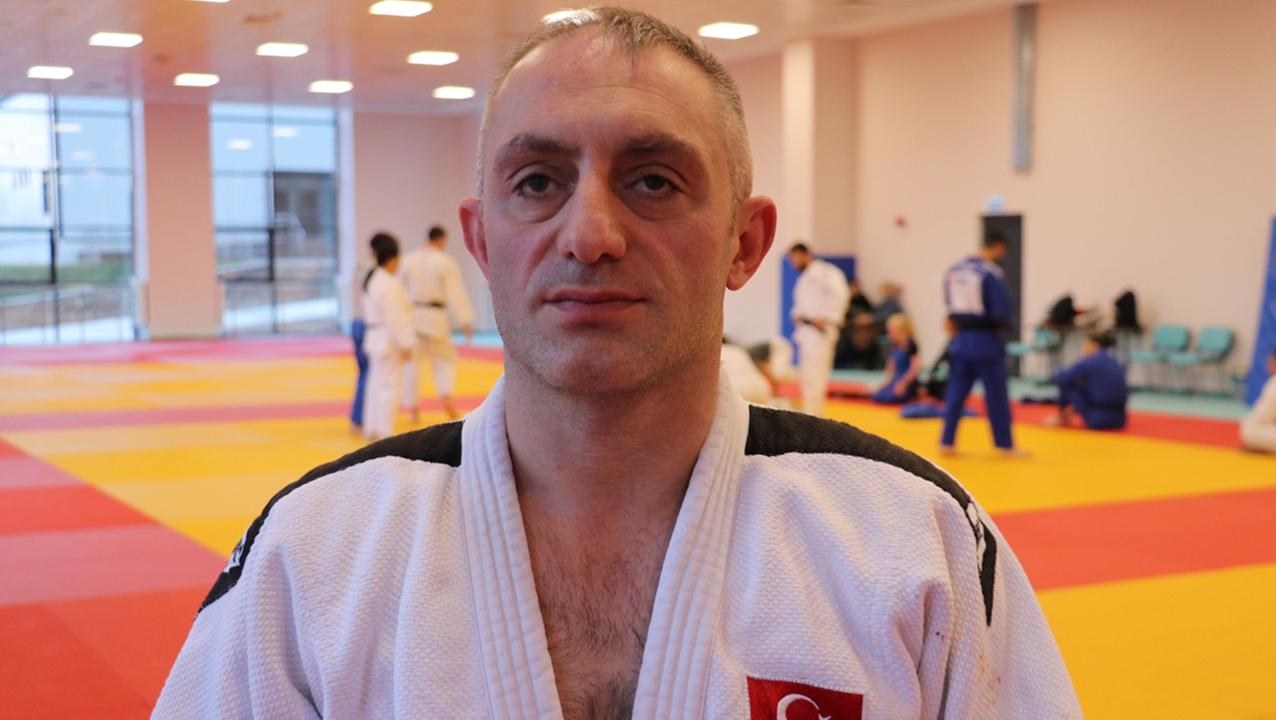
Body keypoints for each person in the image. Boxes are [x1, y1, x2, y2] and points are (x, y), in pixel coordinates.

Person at [154, 8, 1080, 719]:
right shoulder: (312, 554)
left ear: (745, 242)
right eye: (536, 182)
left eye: (653, 181)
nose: (590, 234)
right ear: (482, 240)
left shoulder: (918, 545)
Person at [940, 231, 1022, 456]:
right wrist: (1008, 329)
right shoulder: (990, 272)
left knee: (955, 392)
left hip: (960, 340)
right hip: (986, 340)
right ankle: (1004, 445)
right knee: (996, 394)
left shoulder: (954, 270)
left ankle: (947, 442)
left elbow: (948, 303)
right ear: (999, 248)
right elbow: (1000, 310)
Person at [398, 224, 476, 421]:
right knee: (445, 360)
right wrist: (465, 320)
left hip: (413, 316)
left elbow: (399, 290)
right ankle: (446, 396)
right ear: (441, 239)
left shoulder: (408, 260)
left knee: (412, 365)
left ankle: (413, 409)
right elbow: (455, 292)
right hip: (436, 318)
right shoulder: (445, 262)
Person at [360, 232, 415, 442]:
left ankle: (372, 427)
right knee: (389, 386)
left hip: (374, 336)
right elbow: (396, 317)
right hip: (387, 338)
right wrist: (407, 343)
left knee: (375, 384)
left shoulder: (373, 279)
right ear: (391, 259)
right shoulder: (389, 283)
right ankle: (385, 432)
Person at [788, 242, 851, 416]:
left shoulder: (825, 272)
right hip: (806, 331)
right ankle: (810, 412)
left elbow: (841, 294)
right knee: (807, 376)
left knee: (816, 375)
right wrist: (798, 315)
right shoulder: (803, 278)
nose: (793, 262)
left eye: (795, 257)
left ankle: (814, 415)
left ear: (806, 254)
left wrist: (828, 318)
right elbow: (803, 306)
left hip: (819, 331)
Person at [1044, 332, 1129, 430]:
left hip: (1097, 420)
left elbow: (1060, 377)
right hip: (1120, 420)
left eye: (1085, 345)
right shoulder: (1116, 362)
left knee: (1066, 383)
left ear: (1093, 345)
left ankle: (1062, 418)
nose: (1082, 348)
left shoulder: (1090, 361)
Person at [871, 313, 921, 404]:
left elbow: (916, 367)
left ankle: (912, 393)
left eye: (891, 330)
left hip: (907, 382)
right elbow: (891, 369)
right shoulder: (894, 345)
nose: (889, 334)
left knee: (892, 397)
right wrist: (884, 384)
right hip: (895, 381)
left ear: (900, 330)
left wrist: (904, 383)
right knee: (876, 394)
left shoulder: (910, 344)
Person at [346, 259, 372, 434]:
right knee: (369, 375)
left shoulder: (359, 269)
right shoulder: (375, 273)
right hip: (368, 326)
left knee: (364, 373)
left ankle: (358, 418)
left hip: (356, 323)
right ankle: (360, 418)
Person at [1241, 348, 1276, 454]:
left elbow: (1265, 416)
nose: (1268, 365)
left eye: (1271, 362)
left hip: (1260, 428)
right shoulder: (1275, 381)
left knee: (1250, 430)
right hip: (1264, 427)